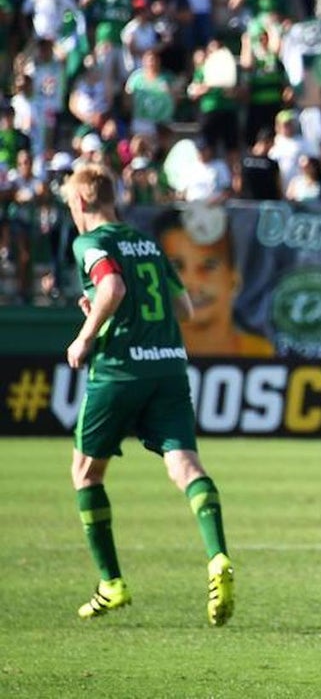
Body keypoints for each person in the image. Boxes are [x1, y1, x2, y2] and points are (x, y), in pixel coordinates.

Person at [61, 164, 235, 625]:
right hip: (169, 366)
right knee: (185, 465)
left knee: (86, 472)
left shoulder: (89, 243)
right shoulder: (146, 243)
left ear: (80, 202)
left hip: (121, 370)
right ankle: (217, 556)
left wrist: (86, 334)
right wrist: (107, 308)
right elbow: (184, 307)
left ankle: (112, 583)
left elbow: (113, 286)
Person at [154, 208, 275, 358]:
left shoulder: (264, 354)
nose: (194, 283)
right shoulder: (142, 358)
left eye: (209, 266)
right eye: (177, 267)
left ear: (234, 279)